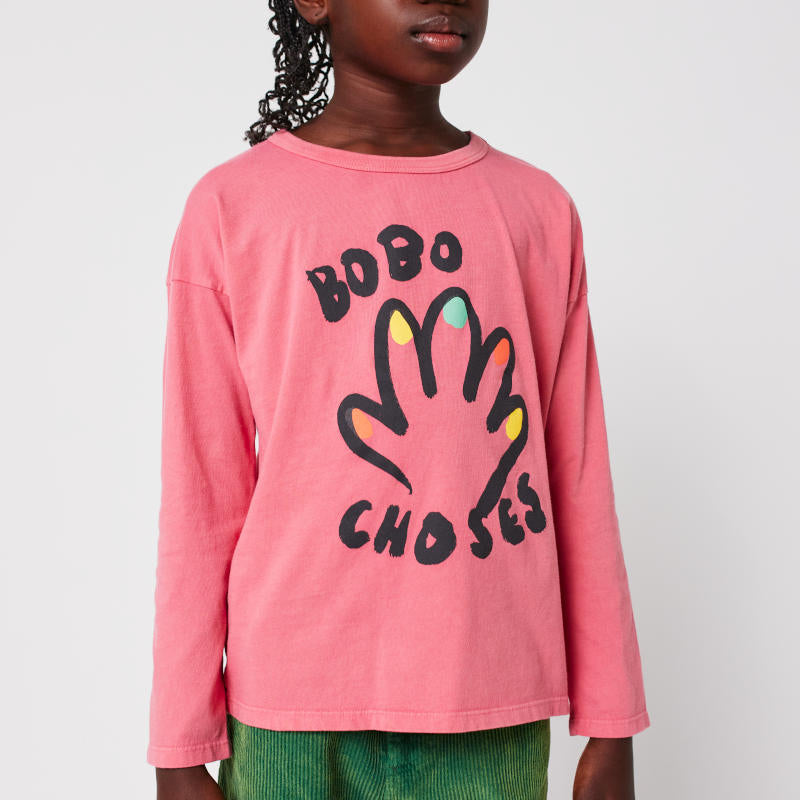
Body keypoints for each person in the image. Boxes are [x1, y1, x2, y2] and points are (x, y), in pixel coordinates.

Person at [146, 1, 651, 798]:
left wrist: (612, 721)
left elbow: (579, 476)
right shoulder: (234, 209)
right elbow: (201, 495)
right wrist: (179, 745)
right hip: (288, 713)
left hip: (489, 701)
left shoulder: (536, 210)